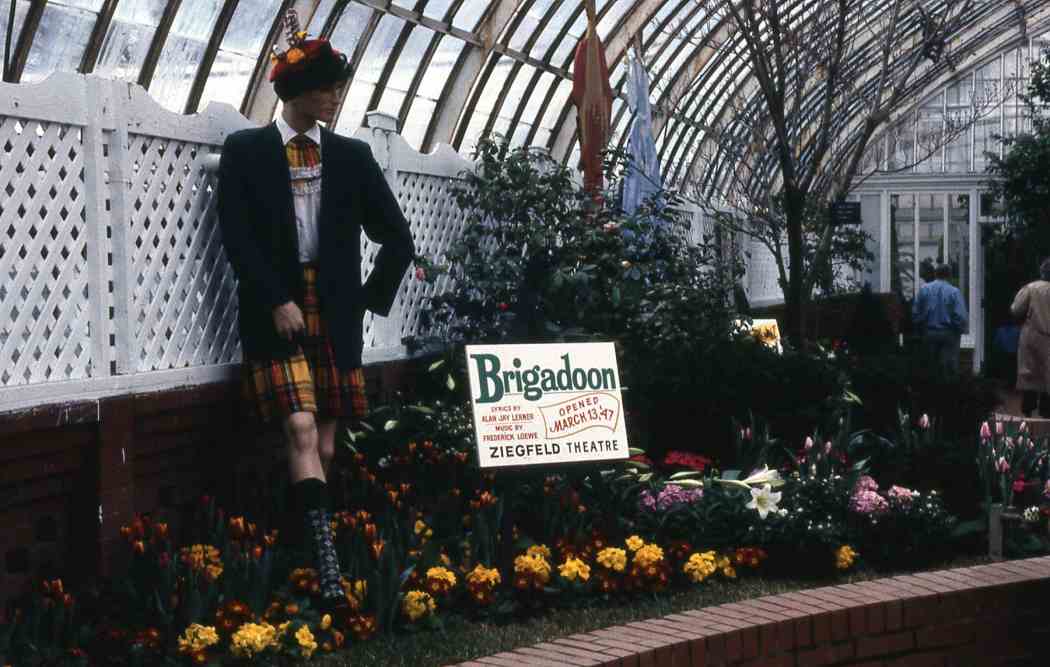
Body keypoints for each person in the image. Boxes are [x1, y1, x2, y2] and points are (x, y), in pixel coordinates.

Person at [216, 11, 414, 612]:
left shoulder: (351, 157)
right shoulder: (247, 151)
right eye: (327, 87)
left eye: (336, 87)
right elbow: (236, 234)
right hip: (273, 309)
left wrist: (364, 301)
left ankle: (302, 554)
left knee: (325, 449)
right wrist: (276, 299)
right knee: (299, 428)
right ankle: (328, 576)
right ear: (295, 91)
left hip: (336, 313)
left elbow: (397, 238)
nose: (335, 97)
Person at [911, 263, 968, 377]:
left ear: (935, 274)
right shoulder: (954, 292)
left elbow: (915, 313)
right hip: (949, 334)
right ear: (950, 276)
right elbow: (961, 316)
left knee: (930, 369)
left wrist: (921, 327)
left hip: (929, 333)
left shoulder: (924, 289)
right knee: (948, 369)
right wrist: (959, 329)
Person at [1010, 258, 1050, 418]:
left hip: (1032, 335)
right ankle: (1046, 415)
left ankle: (1027, 414)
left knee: (1029, 375)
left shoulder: (1031, 288)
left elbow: (1016, 309)